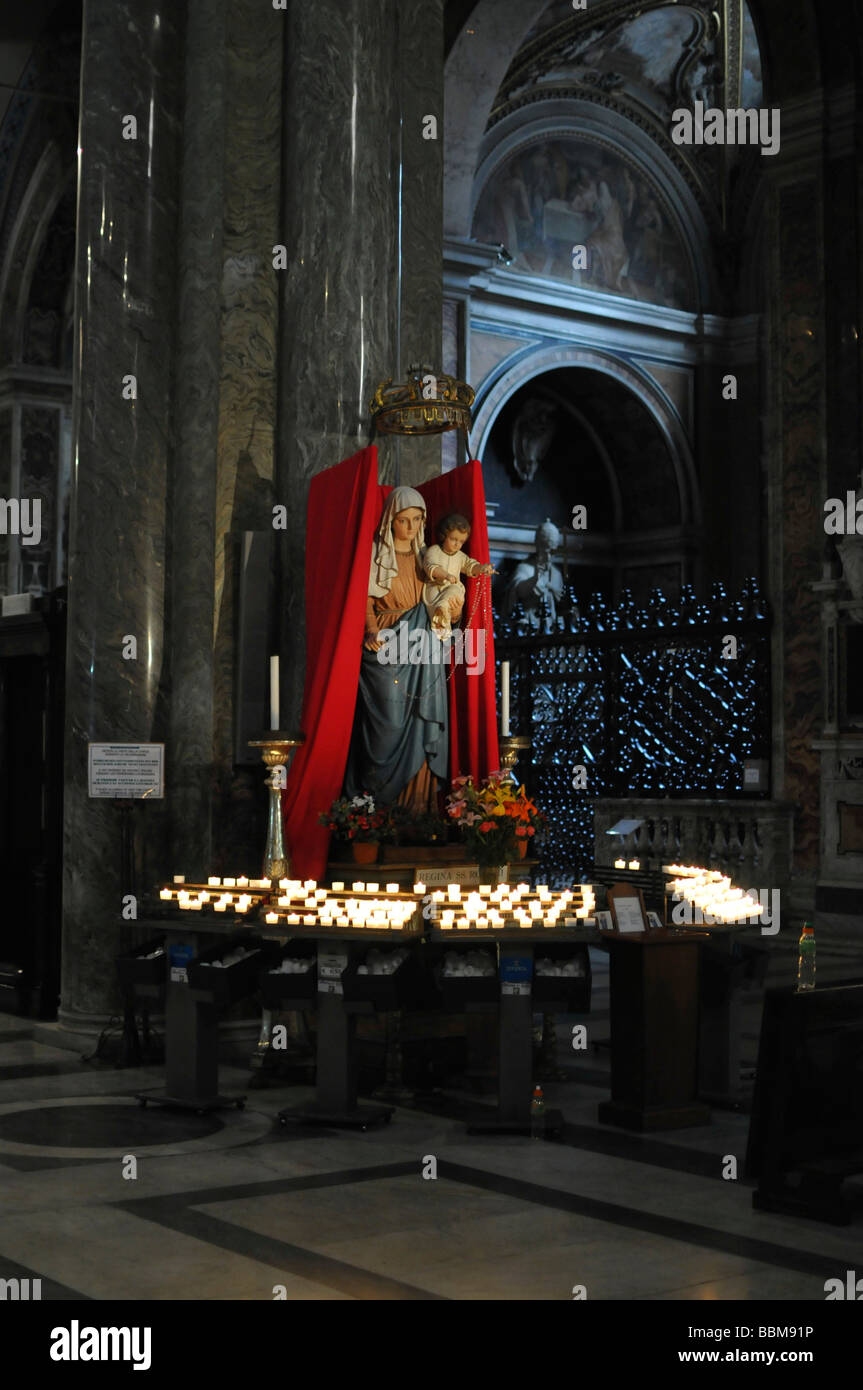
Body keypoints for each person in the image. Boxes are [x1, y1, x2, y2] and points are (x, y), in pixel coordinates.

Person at [342, 487, 447, 813]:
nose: (411, 527)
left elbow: (442, 594)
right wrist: (372, 629)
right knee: (387, 722)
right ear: (391, 520)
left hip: (422, 650)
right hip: (386, 646)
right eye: (404, 520)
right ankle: (373, 805)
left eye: (417, 519)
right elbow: (365, 599)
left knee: (421, 718)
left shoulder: (426, 557)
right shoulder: (377, 555)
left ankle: (416, 808)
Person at [421, 512, 494, 636]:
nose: (457, 544)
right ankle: (440, 614)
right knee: (439, 597)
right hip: (435, 588)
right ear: (444, 535)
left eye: (461, 541)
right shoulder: (434, 550)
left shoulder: (460, 556)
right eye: (453, 539)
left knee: (456, 590)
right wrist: (446, 575)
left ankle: (443, 613)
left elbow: (470, 565)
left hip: (451, 589)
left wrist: (482, 568)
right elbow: (430, 566)